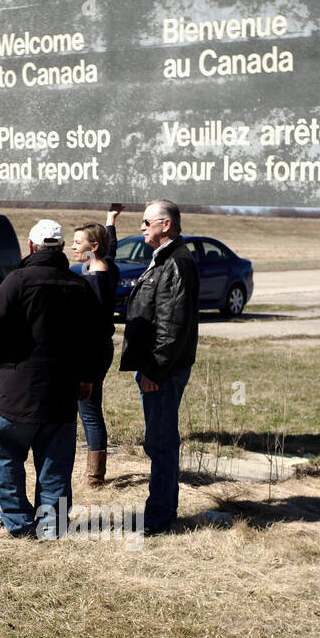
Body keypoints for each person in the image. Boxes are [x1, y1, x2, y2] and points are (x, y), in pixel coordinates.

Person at [0, 218, 107, 540]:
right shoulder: (80, 287)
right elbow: (98, 340)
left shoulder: (15, 282)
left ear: (30, 247)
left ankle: (17, 525)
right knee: (55, 465)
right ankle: (52, 526)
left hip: (11, 397)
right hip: (60, 397)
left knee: (6, 459)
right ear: (61, 248)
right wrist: (88, 378)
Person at [120, 199, 199, 535]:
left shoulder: (177, 262)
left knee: (161, 442)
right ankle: (160, 511)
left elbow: (172, 326)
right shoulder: (164, 259)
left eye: (146, 222)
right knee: (158, 440)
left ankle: (159, 517)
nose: (141, 227)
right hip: (157, 368)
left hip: (162, 371)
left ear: (165, 225)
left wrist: (154, 370)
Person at [71, 206, 122, 488]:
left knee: (89, 412)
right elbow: (110, 251)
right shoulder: (104, 266)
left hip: (91, 353)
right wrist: (110, 221)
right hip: (99, 350)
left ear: (93, 246)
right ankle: (94, 474)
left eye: (79, 242)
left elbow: (93, 328)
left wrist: (87, 373)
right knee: (90, 410)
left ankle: (94, 477)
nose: (73, 246)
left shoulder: (95, 279)